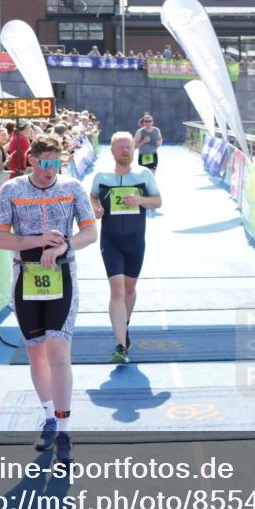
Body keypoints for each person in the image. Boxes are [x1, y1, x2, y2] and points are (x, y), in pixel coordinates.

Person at [0, 134, 98, 464]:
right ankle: (49, 417)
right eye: (44, 163)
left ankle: (65, 430)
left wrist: (65, 245)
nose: (50, 170)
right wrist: (35, 240)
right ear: (31, 161)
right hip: (25, 278)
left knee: (59, 353)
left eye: (56, 163)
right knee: (36, 354)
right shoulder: (11, 190)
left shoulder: (72, 188)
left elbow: (90, 232)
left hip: (63, 277)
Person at [90, 131, 162, 364]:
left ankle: (124, 324)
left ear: (134, 149)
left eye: (129, 147)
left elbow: (158, 201)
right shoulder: (101, 176)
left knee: (129, 288)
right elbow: (93, 196)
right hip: (111, 241)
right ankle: (121, 346)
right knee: (117, 290)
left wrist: (140, 200)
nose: (125, 151)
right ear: (111, 150)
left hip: (135, 241)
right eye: (120, 147)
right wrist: (96, 208)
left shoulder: (144, 175)